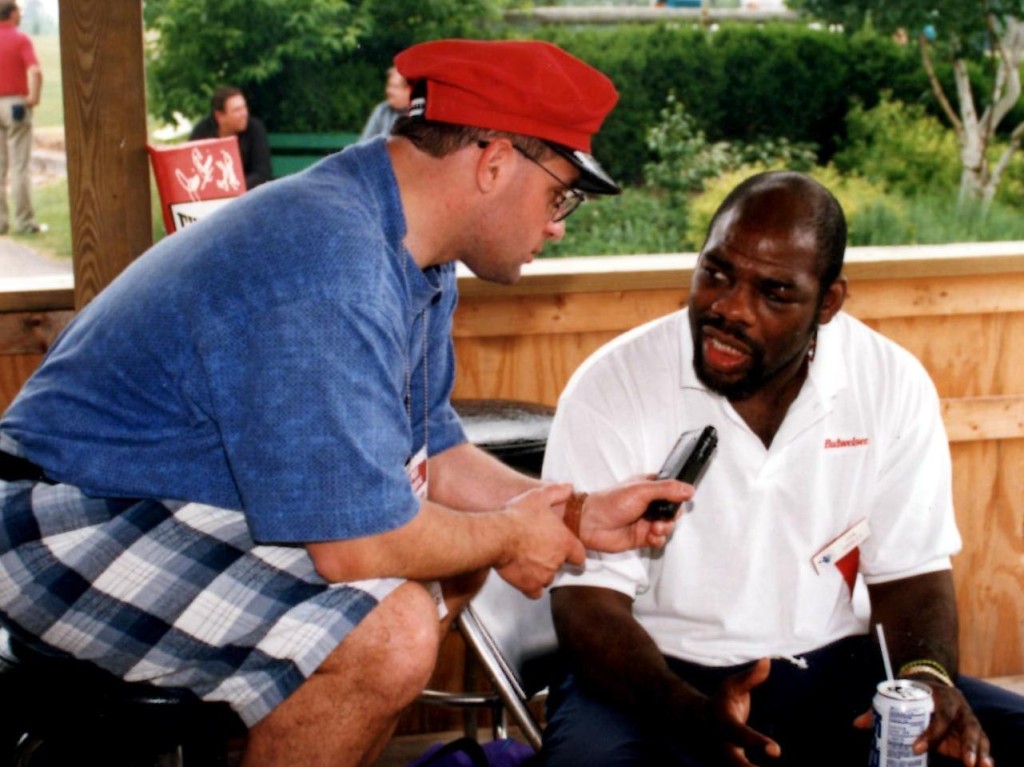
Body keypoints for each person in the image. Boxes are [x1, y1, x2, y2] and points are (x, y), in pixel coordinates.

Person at [0, 39, 692, 766]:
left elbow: (436, 450)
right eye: (561, 193)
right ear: (492, 163)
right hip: (59, 518)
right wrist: (513, 534)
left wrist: (571, 510)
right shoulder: (329, 255)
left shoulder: (412, 250)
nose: (558, 223)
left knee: (450, 562)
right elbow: (354, 545)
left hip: (166, 501)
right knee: (389, 631)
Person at [537, 171, 1024, 767]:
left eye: (775, 293)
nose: (730, 308)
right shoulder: (615, 383)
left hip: (834, 668)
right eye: (716, 273)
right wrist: (685, 711)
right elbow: (587, 604)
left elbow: (912, 575)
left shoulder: (889, 382)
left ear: (828, 303)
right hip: (650, 673)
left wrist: (926, 679)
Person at [0, 0, 43, 235]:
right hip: (15, 104)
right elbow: (35, 70)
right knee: (19, 167)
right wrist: (33, 97)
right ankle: (24, 222)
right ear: (12, 13)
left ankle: (0, 222)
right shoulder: (20, 38)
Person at [189, 84, 272, 190]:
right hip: (211, 196)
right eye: (237, 110)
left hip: (247, 194)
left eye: (244, 107)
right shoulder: (203, 131)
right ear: (220, 116)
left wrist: (230, 189)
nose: (244, 113)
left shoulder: (255, 129)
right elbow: (190, 169)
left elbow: (262, 174)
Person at [360, 66, 412, 140]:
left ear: (409, 90)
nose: (388, 91)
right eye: (388, 85)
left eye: (394, 87)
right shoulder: (383, 110)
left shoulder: (423, 114)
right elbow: (363, 144)